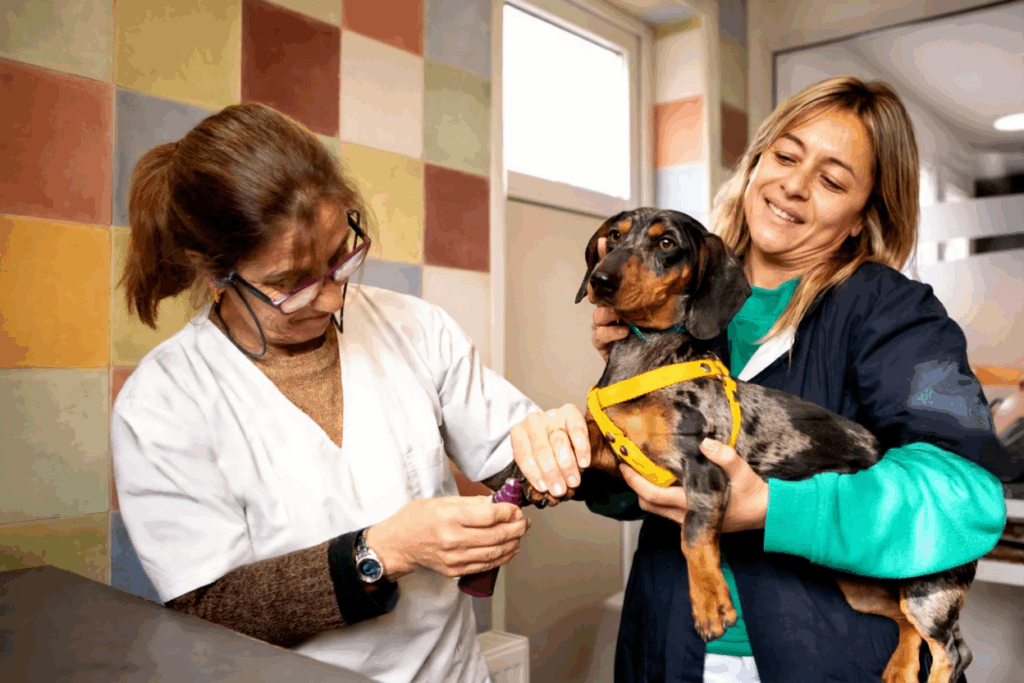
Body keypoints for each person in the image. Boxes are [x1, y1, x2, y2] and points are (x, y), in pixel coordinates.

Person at [514, 77, 1024, 683]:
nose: (794, 185)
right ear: (755, 162)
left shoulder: (901, 316)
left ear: (863, 217)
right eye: (784, 156)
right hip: (671, 648)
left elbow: (965, 501)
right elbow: (646, 487)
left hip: (834, 659)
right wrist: (585, 455)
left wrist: (775, 509)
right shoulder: (676, 292)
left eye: (833, 180)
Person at [111, 102, 590, 683]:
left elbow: (514, 458)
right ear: (216, 275)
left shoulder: (414, 328)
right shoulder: (164, 402)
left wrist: (561, 443)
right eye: (290, 285)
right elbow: (208, 609)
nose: (335, 299)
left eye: (341, 258)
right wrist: (380, 553)